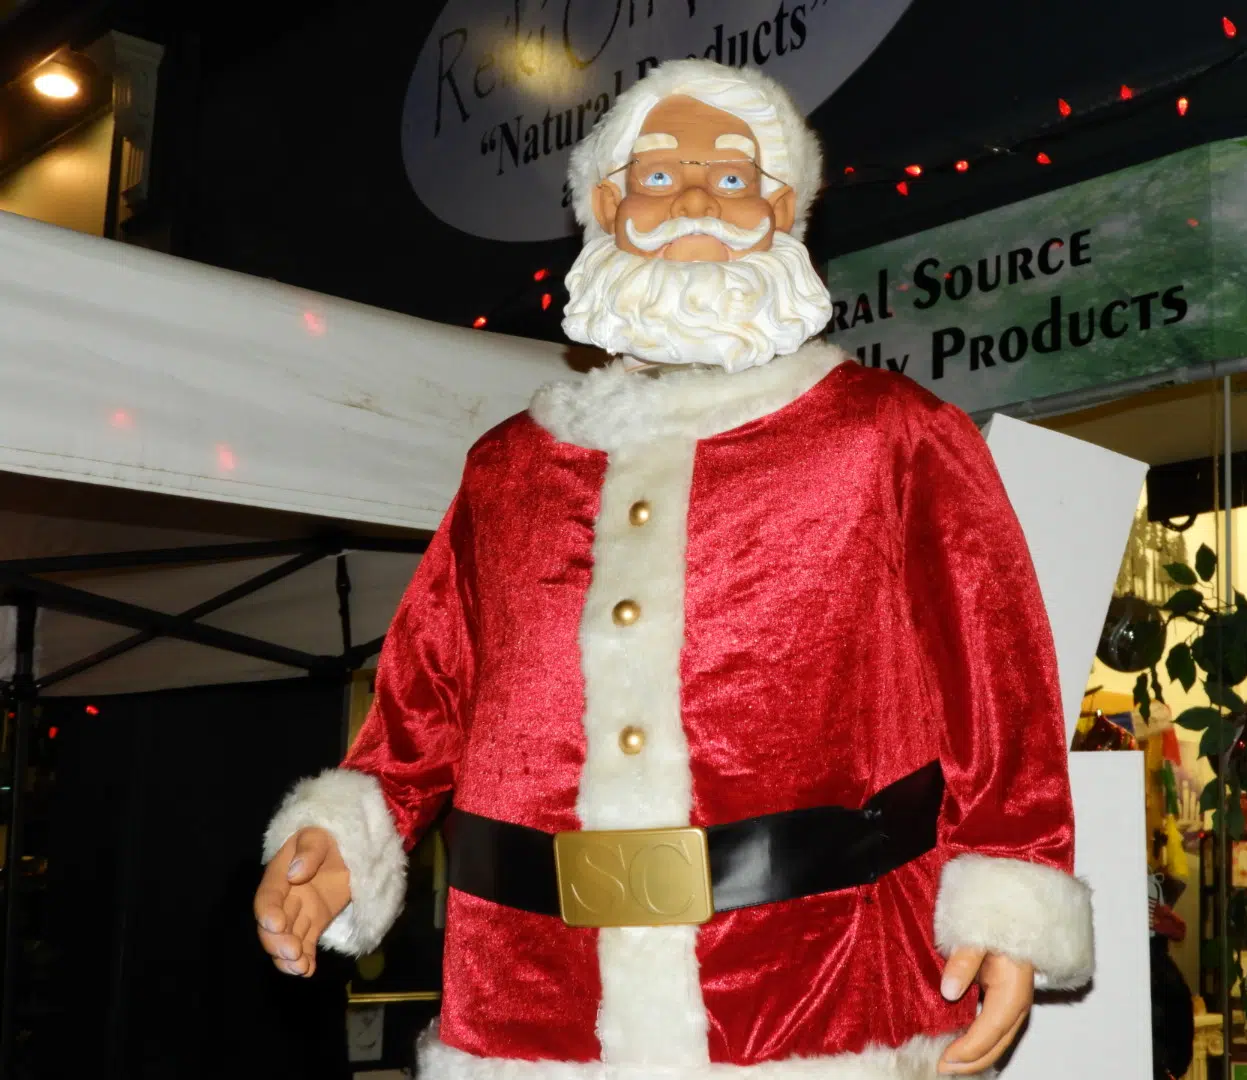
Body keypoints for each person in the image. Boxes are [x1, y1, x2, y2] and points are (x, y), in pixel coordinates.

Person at [254, 59, 1093, 1080]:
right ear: (604, 207)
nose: (697, 195)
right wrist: (341, 843)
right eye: (659, 176)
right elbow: (422, 711)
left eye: (733, 178)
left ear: (783, 209)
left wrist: (1012, 904)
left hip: (815, 1002)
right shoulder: (507, 472)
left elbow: (996, 694)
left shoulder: (891, 436)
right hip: (534, 1014)